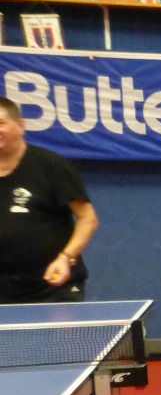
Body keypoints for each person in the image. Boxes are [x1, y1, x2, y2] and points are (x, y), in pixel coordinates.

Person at [0, 96, 98, 304]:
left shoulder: (51, 166)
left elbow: (88, 219)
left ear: (21, 126)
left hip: (52, 287)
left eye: (1, 123)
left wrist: (66, 257)